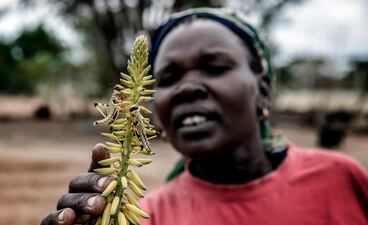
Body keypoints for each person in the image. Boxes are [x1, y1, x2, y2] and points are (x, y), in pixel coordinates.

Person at [41, 8, 368, 225]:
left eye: (215, 67)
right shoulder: (147, 217)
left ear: (264, 89)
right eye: (168, 79)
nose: (187, 89)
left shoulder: (343, 180)